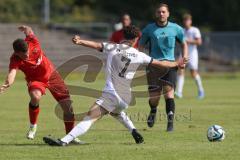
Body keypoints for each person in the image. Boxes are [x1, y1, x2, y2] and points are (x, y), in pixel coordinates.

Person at [43, 25, 186, 146]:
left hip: (112, 94)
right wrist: (177, 64)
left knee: (90, 117)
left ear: (123, 35)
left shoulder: (112, 47)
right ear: (136, 39)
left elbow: (96, 45)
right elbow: (161, 63)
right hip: (125, 98)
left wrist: (80, 41)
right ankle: (134, 131)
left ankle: (64, 141)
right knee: (116, 112)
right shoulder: (139, 55)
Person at [0, 25, 81, 143]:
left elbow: (29, 31)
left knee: (68, 107)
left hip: (52, 76)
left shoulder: (32, 41)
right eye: (23, 55)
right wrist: (7, 83)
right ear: (16, 53)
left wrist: (25, 27)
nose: (27, 56)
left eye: (27, 52)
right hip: (36, 80)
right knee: (35, 96)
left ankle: (70, 136)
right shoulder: (15, 59)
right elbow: (12, 73)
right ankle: (33, 126)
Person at [139, 3, 188, 131]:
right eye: (159, 12)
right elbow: (141, 46)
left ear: (168, 13)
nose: (161, 14)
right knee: (154, 98)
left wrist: (184, 59)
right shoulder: (149, 29)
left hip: (170, 65)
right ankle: (153, 110)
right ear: (156, 14)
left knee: (169, 94)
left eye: (163, 12)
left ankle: (170, 123)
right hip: (154, 66)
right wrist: (143, 58)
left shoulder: (176, 28)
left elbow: (184, 44)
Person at [175, 13, 205, 99]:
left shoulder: (195, 30)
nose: (186, 22)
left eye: (187, 20)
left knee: (193, 73)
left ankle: (201, 90)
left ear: (190, 21)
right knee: (180, 71)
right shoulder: (181, 30)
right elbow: (179, 42)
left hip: (192, 54)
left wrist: (188, 41)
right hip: (183, 53)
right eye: (185, 20)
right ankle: (179, 92)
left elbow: (199, 42)